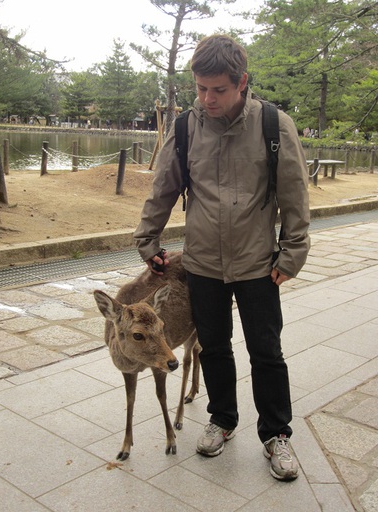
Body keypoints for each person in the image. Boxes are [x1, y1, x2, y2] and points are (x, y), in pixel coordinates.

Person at [133, 34, 310, 481]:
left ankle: (276, 434)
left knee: (266, 350)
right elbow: (164, 188)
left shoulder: (273, 124)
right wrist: (148, 241)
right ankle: (223, 418)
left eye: (218, 89)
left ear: (241, 82)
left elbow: (294, 196)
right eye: (201, 89)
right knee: (213, 347)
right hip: (202, 264)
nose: (208, 99)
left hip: (257, 265)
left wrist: (291, 255)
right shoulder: (187, 126)